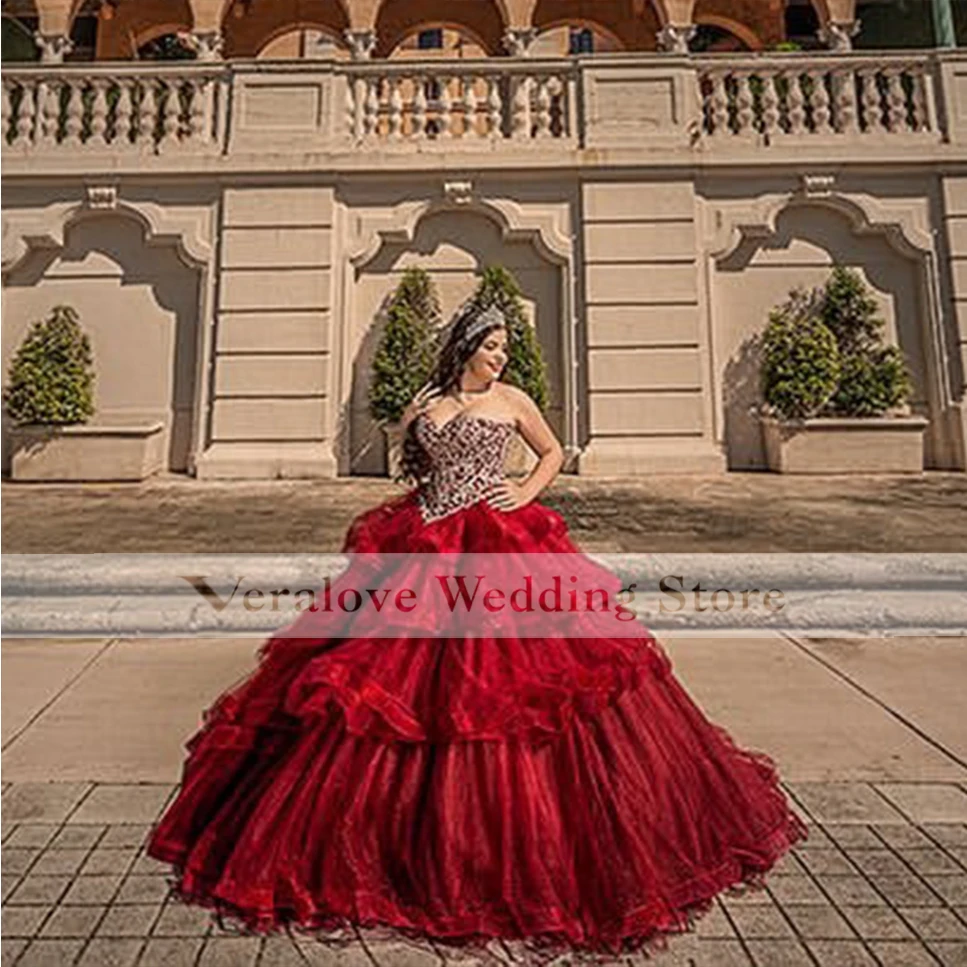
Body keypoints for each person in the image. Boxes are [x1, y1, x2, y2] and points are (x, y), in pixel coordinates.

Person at [147, 299, 807, 964]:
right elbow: (404, 455)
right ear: (463, 345)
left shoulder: (512, 398)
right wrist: (417, 455)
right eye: (491, 345)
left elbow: (550, 452)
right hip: (424, 542)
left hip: (499, 544)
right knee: (389, 688)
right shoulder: (426, 399)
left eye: (503, 347)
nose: (500, 356)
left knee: (509, 688)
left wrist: (523, 494)